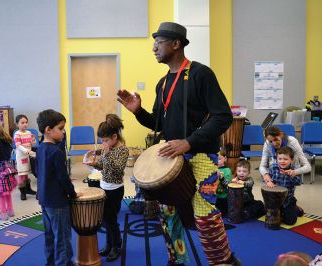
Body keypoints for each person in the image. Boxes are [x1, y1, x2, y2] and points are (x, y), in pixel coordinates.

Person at [117, 22, 240, 265]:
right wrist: (138, 111)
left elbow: (223, 116)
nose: (154, 48)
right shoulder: (162, 84)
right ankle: (178, 260)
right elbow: (159, 124)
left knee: (205, 216)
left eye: (158, 42)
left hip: (202, 156)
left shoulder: (201, 74)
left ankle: (223, 261)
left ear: (176, 44)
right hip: (171, 158)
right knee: (168, 215)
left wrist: (189, 142)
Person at [36, 109, 81, 266]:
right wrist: (73, 193)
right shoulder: (56, 152)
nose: (63, 132)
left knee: (49, 236)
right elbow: (63, 178)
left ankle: (50, 263)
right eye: (61, 129)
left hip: (44, 199)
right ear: (48, 130)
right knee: (62, 237)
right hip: (58, 202)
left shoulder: (40, 148)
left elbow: (39, 173)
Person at [83, 114, 129, 262]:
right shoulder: (107, 148)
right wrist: (93, 164)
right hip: (104, 187)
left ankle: (116, 246)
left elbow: (118, 169)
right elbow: (103, 166)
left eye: (106, 140)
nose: (104, 143)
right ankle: (109, 245)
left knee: (111, 219)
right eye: (102, 140)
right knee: (106, 219)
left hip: (115, 189)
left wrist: (108, 155)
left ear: (115, 136)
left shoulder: (122, 150)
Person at [259, 126, 310, 219]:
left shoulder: (292, 142)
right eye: (270, 141)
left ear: (281, 135)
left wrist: (294, 172)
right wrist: (266, 176)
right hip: (276, 171)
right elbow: (262, 166)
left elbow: (307, 167)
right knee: (268, 212)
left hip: (292, 168)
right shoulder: (267, 144)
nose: (274, 143)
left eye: (276, 139)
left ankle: (292, 204)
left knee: (288, 216)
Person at [268, 146, 303, 225]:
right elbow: (267, 178)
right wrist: (268, 181)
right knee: (267, 213)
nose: (282, 161)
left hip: (288, 199)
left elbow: (299, 182)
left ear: (291, 160)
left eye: (285, 159)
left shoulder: (294, 170)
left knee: (290, 222)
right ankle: (282, 212)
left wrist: (291, 175)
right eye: (280, 159)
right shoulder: (273, 168)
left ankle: (297, 209)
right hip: (275, 199)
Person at [13, 114, 37, 201]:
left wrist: (33, 140)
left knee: (26, 173)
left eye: (26, 122)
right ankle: (22, 192)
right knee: (22, 173)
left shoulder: (28, 133)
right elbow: (18, 146)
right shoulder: (17, 134)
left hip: (28, 155)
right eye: (22, 122)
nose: (25, 124)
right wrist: (28, 151)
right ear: (17, 124)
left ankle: (28, 189)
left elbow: (32, 144)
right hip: (21, 156)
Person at [216, 149, 232, 217]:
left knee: (224, 215)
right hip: (214, 197)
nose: (216, 161)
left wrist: (221, 177)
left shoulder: (227, 170)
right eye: (214, 159)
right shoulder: (212, 169)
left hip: (223, 197)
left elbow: (227, 184)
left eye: (219, 159)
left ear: (225, 159)